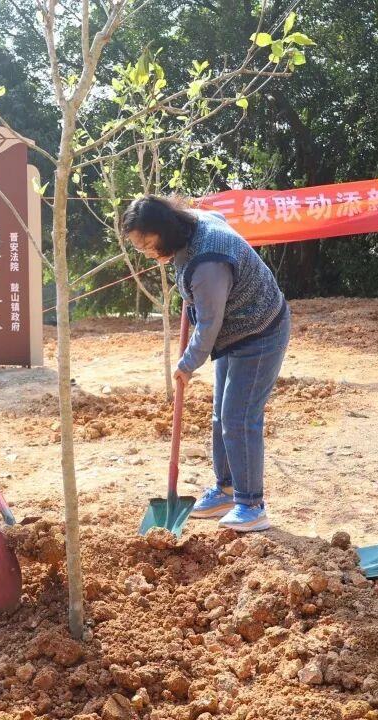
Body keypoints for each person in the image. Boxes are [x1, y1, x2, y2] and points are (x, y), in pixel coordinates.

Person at [122, 195, 289, 532]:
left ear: (166, 231)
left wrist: (186, 363)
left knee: (238, 418)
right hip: (234, 331)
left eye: (149, 245)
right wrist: (192, 297)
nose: (148, 254)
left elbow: (209, 326)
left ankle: (251, 504)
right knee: (220, 416)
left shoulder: (208, 263)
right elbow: (217, 220)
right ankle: (227, 489)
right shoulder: (191, 224)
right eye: (139, 248)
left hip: (259, 333)